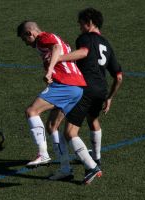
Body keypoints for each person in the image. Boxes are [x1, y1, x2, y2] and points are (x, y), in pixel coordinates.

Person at [49, 7, 123, 184]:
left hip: (85, 89)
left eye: (81, 24)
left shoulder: (85, 38)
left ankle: (91, 167)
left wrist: (58, 58)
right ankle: (96, 157)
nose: (80, 28)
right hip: (101, 90)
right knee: (93, 119)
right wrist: (110, 97)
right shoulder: (107, 44)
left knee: (69, 132)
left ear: (89, 24)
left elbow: (84, 52)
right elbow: (119, 77)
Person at [16, 21, 87, 168]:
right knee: (52, 126)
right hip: (78, 87)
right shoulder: (56, 39)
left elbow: (56, 48)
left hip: (65, 84)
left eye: (24, 39)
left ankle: (43, 153)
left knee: (32, 111)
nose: (25, 43)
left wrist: (50, 71)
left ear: (30, 33)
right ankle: (65, 168)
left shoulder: (43, 38)